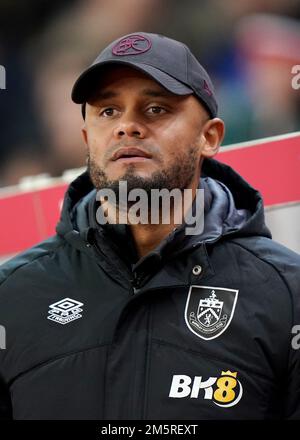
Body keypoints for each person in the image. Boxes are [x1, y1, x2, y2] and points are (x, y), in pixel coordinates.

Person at [0, 32, 299, 420]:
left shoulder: (287, 294)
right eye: (108, 111)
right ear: (88, 138)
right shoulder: (12, 296)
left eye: (156, 109)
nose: (127, 126)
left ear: (209, 137)